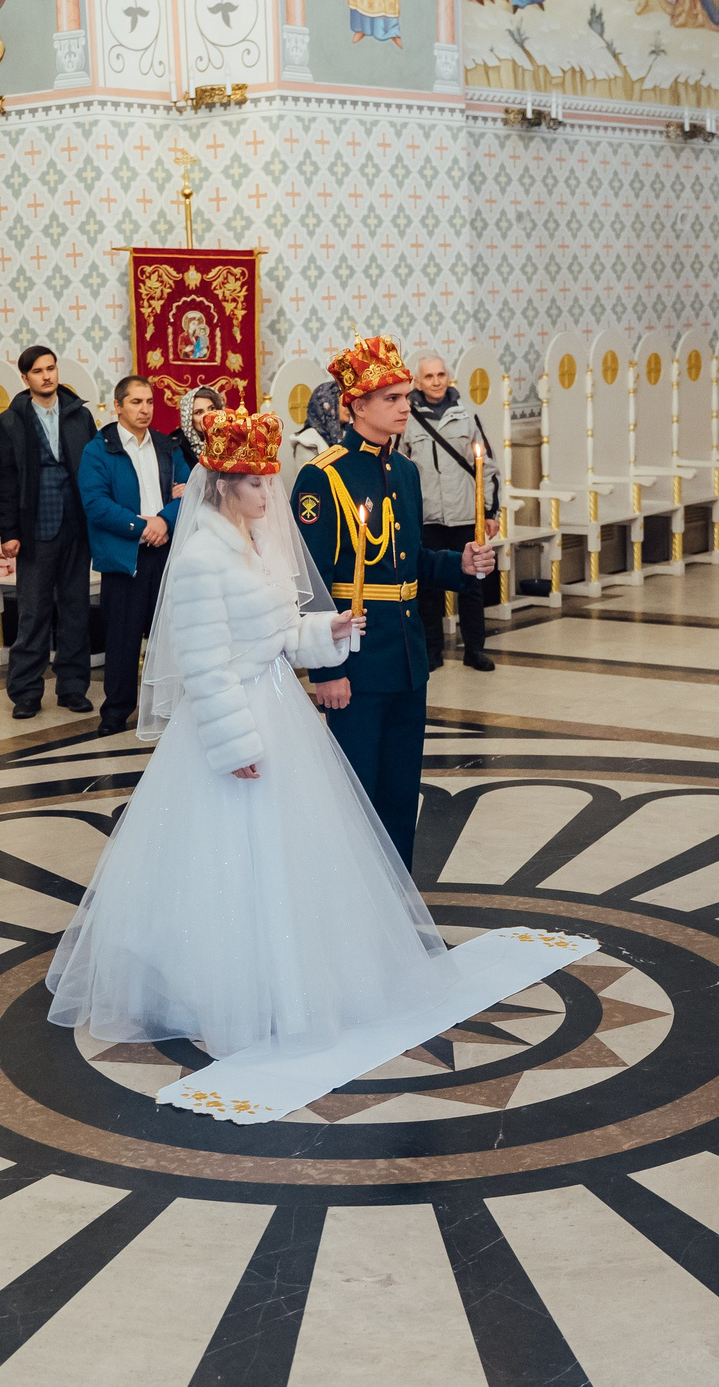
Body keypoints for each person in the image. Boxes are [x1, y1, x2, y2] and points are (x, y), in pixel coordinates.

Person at [44, 408, 445, 1057]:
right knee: (227, 861)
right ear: (223, 484)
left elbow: (279, 633)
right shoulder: (203, 554)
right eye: (256, 483)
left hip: (278, 704)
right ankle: (215, 992)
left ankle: (293, 978)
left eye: (269, 479)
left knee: (292, 856)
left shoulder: (259, 544)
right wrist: (236, 744)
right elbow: (204, 663)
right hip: (230, 719)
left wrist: (326, 634)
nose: (270, 493)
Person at [293, 334, 496, 867]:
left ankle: (398, 913)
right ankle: (353, 916)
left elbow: (412, 563)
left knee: (401, 796)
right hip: (356, 661)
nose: (406, 406)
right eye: (392, 398)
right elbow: (309, 582)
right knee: (355, 795)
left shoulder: (404, 471)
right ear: (356, 405)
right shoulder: (324, 476)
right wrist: (325, 668)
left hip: (407, 659)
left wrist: (461, 565)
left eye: (406, 395)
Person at [0, 345, 98, 718]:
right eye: (38, 371)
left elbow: (94, 469)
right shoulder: (10, 421)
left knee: (75, 610)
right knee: (33, 613)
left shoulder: (79, 415)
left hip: (76, 526)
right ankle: (26, 692)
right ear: (25, 378)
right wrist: (8, 532)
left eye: (51, 369)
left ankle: (72, 687)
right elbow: (2, 481)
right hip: (35, 527)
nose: (47, 376)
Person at [77, 374, 186, 736]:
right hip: (126, 555)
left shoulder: (166, 445)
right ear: (118, 406)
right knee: (122, 638)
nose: (145, 409)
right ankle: (117, 711)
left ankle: (174, 706)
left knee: (171, 634)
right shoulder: (99, 449)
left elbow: (189, 492)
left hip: (166, 551)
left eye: (150, 402)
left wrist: (164, 521)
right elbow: (95, 504)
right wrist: (142, 528)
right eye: (136, 402)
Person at [401, 352, 502, 672]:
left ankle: (475, 649)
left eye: (441, 375)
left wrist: (490, 512)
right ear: (417, 382)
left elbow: (488, 468)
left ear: (449, 377)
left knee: (472, 584)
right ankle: (433, 651)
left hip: (463, 515)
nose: (436, 382)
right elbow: (400, 469)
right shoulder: (407, 419)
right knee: (427, 588)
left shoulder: (466, 416)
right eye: (428, 377)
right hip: (427, 517)